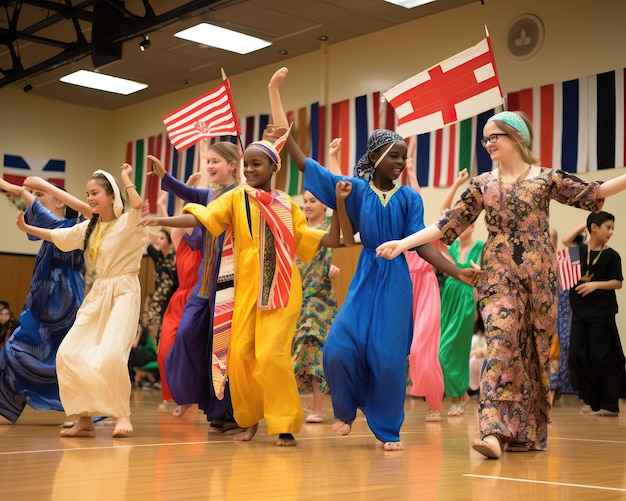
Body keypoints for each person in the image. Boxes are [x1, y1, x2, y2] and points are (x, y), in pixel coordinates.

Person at [377, 110, 626, 458]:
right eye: (486, 138)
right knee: (501, 339)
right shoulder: (482, 184)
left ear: (517, 137)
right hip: (497, 274)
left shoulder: (545, 178)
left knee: (533, 352)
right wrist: (404, 243)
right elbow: (448, 222)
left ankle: (525, 433)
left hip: (539, 277)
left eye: (496, 136)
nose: (489, 143)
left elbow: (594, 191)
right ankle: (493, 431)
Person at [268, 67, 479, 451]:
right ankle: (346, 410)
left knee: (387, 356)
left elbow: (422, 244)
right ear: (376, 157)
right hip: (366, 275)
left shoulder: (410, 199)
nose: (400, 163)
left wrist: (457, 272)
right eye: (395, 156)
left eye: (404, 157)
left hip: (397, 280)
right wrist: (276, 97)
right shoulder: (354, 189)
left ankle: (387, 429)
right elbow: (302, 163)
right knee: (338, 346)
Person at [138, 132, 345, 447]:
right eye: (246, 164)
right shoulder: (235, 198)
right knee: (239, 357)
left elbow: (325, 240)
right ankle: (248, 421)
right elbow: (206, 219)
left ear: (273, 167)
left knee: (271, 355)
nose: (249, 170)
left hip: (283, 292)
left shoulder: (288, 205)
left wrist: (341, 206)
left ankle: (285, 424)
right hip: (246, 293)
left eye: (256, 164)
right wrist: (162, 220)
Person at [15, 164, 148, 437]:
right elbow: (58, 236)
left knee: (111, 355)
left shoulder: (128, 221)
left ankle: (122, 414)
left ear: (112, 196)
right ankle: (83, 417)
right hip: (99, 293)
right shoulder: (90, 228)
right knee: (68, 354)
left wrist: (126, 179)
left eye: (95, 192)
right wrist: (26, 227)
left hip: (124, 292)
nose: (89, 198)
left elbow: (137, 204)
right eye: (87, 193)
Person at [148, 144, 239, 424]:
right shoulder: (210, 194)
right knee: (186, 334)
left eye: (216, 161)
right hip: (203, 285)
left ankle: (225, 412)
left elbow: (195, 211)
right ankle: (191, 395)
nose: (210, 166)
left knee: (221, 350)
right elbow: (187, 195)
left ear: (234, 165)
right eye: (208, 161)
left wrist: (162, 218)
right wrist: (166, 177)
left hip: (228, 283)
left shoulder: (239, 195)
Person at [0, 177, 88, 424]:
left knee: (67, 355)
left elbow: (37, 209)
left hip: (64, 299)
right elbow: (34, 209)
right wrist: (15, 189)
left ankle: (80, 410)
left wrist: (15, 189)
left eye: (42, 194)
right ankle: (6, 406)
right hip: (43, 298)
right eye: (36, 194)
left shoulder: (71, 226)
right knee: (15, 348)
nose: (35, 200)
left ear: (60, 201)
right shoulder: (54, 224)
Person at [564, 211, 625, 416]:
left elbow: (618, 283)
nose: (611, 231)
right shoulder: (579, 251)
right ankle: (591, 399)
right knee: (576, 354)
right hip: (580, 312)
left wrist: (594, 285)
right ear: (594, 228)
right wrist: (587, 221)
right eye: (607, 227)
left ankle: (609, 404)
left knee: (600, 356)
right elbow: (566, 240)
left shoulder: (611, 255)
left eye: (612, 228)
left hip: (602, 313)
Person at [145, 228, 178, 345]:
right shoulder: (158, 257)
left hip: (171, 300)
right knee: (152, 325)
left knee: (166, 329)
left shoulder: (175, 257)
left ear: (169, 241)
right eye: (158, 238)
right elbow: (148, 243)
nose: (158, 241)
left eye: (162, 238)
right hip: (158, 300)